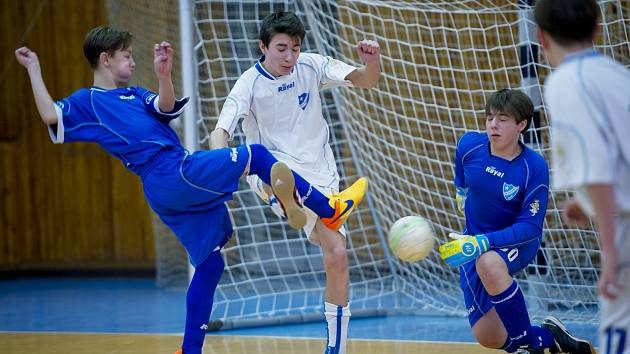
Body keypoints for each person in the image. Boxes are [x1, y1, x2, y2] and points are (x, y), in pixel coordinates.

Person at [14, 26, 367, 354]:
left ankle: (189, 350)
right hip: (170, 171)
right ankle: (327, 207)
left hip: (166, 188)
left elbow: (165, 108)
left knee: (210, 265)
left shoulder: (134, 94)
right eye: (126, 56)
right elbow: (50, 115)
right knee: (257, 154)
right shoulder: (87, 101)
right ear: (105, 60)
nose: (133, 61)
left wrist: (164, 75)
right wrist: (34, 69)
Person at [210, 11, 379, 354]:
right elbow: (220, 132)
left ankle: (337, 348)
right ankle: (283, 198)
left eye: (295, 48)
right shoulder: (248, 83)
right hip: (271, 169)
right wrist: (223, 161)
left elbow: (366, 80)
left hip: (321, 173)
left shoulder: (311, 65)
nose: (290, 57)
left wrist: (371, 61)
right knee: (268, 165)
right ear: (263, 47)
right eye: (282, 49)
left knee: (337, 254)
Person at [438, 89, 594, 354]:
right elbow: (461, 180)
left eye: (502, 118)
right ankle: (549, 336)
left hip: (517, 241)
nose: (493, 124)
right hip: (473, 241)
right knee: (488, 336)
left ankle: (529, 348)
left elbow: (530, 228)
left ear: (521, 125)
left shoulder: (533, 167)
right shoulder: (469, 146)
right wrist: (461, 195)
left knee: (489, 262)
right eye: (489, 117)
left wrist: (484, 242)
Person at [536, 0, 630, 353]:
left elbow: (600, 170)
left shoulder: (566, 82)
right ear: (597, 29)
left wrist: (610, 257)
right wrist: (586, 201)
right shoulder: (618, 74)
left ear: (541, 37)